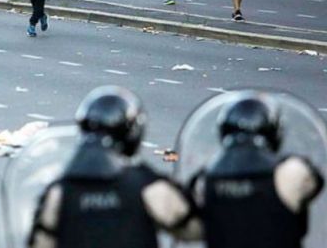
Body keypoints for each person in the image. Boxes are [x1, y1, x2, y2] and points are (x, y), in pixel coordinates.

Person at [29, 86, 201, 248]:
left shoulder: (60, 191)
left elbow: (40, 242)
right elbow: (194, 228)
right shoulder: (146, 186)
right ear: (132, 134)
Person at [187, 91, 324, 248]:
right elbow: (315, 183)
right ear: (274, 133)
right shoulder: (291, 172)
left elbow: (189, 228)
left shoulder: (204, 181)